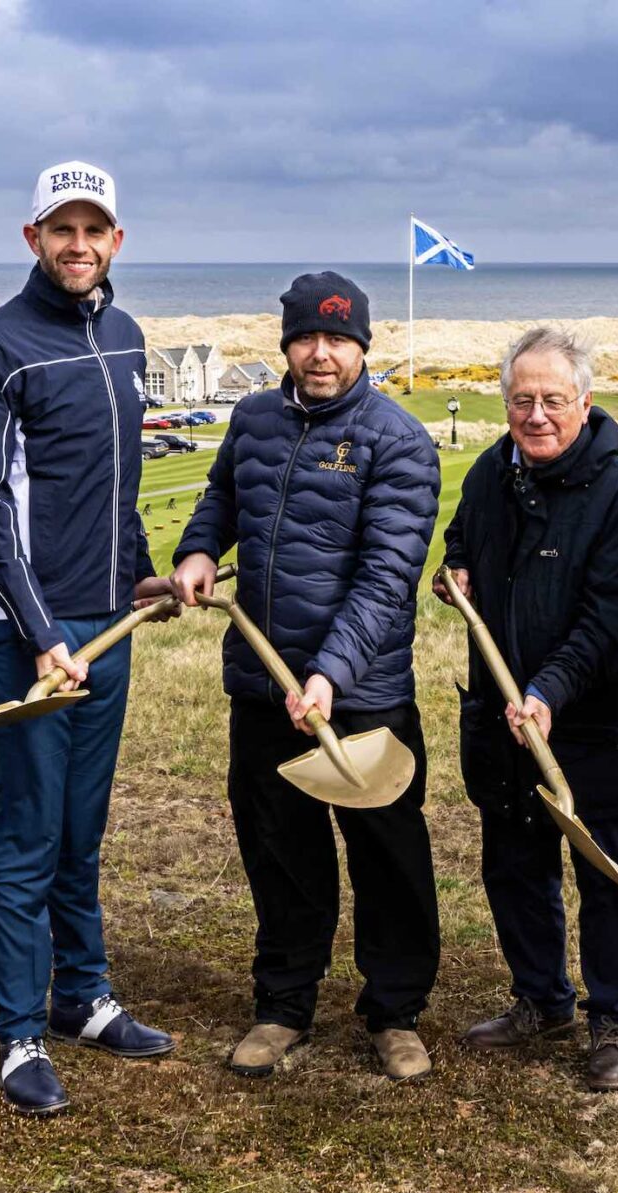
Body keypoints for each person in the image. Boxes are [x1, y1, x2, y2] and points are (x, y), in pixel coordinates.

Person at [151, 272, 443, 1082]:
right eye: (308, 337)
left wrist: (330, 677)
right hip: (261, 682)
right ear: (286, 343)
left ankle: (395, 1011)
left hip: (362, 693)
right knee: (280, 849)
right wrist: (199, 550)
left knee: (387, 854)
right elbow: (221, 499)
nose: (322, 353)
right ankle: (283, 1004)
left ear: (363, 348)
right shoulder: (253, 418)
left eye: (339, 340)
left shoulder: (398, 440)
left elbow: (389, 577)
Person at [0, 160, 176, 1117]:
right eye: (60, 228)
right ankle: (19, 1036)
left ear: (117, 240)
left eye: (95, 229)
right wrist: (42, 633)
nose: (78, 245)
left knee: (84, 825)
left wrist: (144, 571)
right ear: (32, 238)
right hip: (22, 626)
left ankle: (82, 996)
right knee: (30, 829)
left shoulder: (124, 337)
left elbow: (112, 486)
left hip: (106, 621)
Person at [435, 326, 618, 1091]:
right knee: (514, 867)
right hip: (501, 715)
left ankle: (615, 1019)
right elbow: (460, 541)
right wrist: (453, 569)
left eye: (552, 400)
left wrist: (549, 691)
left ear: (585, 403)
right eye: (521, 399)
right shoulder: (488, 476)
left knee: (603, 873)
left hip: (590, 726)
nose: (536, 414)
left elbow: (610, 619)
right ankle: (541, 998)